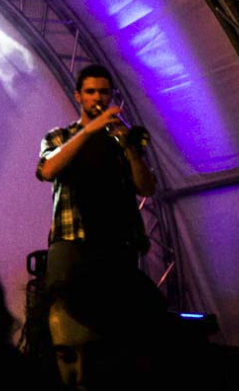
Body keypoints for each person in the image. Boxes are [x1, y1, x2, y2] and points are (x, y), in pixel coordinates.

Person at [36, 64, 156, 288]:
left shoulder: (121, 140)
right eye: (90, 92)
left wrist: (131, 150)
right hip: (73, 239)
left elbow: (147, 188)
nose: (97, 98)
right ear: (78, 96)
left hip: (118, 242)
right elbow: (47, 170)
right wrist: (89, 130)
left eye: (103, 92)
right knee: (65, 305)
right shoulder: (59, 136)